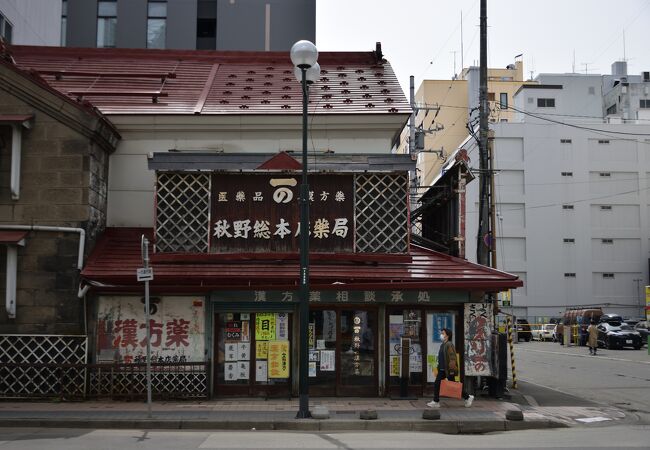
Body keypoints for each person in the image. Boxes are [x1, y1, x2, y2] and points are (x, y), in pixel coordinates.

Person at [427, 328, 474, 408]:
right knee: (440, 384)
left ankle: (436, 401)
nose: (441, 335)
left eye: (443, 333)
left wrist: (451, 370)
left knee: (450, 384)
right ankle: (467, 397)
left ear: (447, 335)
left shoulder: (449, 344)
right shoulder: (443, 344)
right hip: (442, 369)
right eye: (441, 333)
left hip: (447, 370)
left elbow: (452, 357)